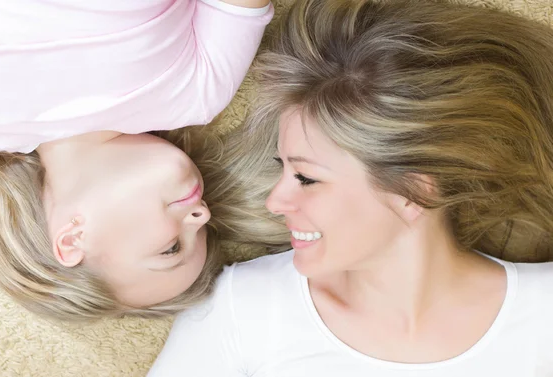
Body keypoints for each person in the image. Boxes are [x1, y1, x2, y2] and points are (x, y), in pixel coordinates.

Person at [148, 0, 553, 375]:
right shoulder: (244, 310)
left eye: (306, 178)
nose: (275, 201)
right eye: (283, 169)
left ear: (415, 191)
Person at [0, 0, 288, 321]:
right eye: (202, 231)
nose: (202, 215)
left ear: (73, 240)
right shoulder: (198, 93)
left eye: (171, 248)